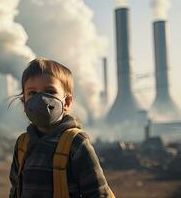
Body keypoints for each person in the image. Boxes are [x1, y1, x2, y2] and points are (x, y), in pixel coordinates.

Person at [9, 58, 115, 198]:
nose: (41, 99)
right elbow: (15, 189)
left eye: (50, 91)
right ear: (24, 103)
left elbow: (97, 193)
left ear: (67, 102)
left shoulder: (76, 143)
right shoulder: (23, 144)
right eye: (32, 93)